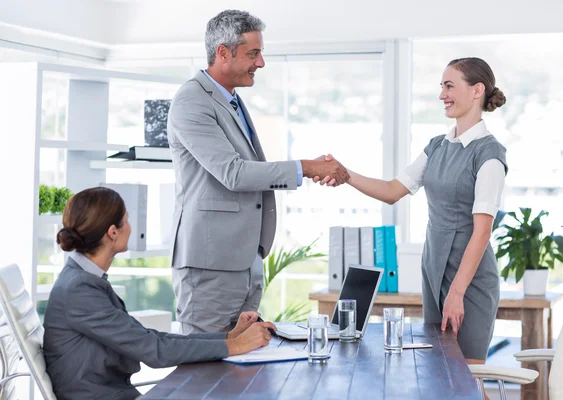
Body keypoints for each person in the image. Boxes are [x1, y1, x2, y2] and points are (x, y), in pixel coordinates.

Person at [167, 9, 349, 334]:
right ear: (223, 53)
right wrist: (306, 168)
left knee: (242, 367)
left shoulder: (231, 100)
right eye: (253, 53)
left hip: (243, 261)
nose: (261, 63)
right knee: (206, 372)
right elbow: (234, 173)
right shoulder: (191, 101)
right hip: (210, 267)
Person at [319, 58, 507, 370]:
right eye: (441, 87)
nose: (442, 94)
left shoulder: (489, 154)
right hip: (434, 273)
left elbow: (482, 232)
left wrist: (457, 293)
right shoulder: (437, 146)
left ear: (477, 90)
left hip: (469, 282)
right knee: (441, 376)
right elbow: (393, 191)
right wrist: (345, 174)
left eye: (449, 86)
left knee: (468, 378)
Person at [43, 187, 276, 400]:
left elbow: (150, 339)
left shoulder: (83, 281)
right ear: (113, 232)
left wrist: (231, 337)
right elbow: (156, 351)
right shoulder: (80, 290)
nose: (131, 228)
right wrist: (236, 347)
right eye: (127, 220)